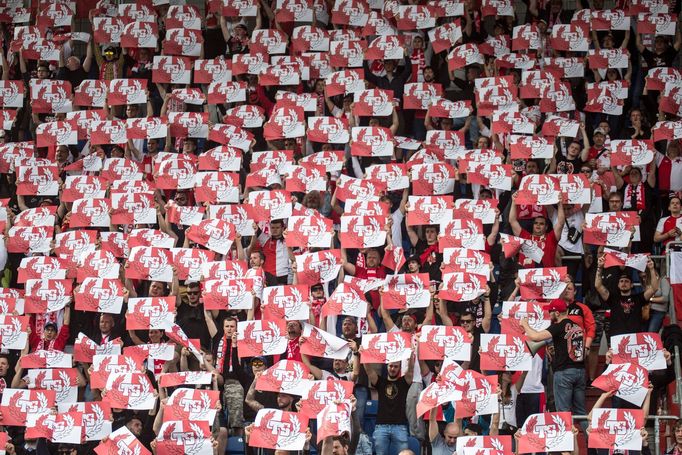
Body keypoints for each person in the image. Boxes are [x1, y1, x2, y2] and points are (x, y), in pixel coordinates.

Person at [520, 299, 586, 419]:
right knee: (581, 412)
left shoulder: (559, 326)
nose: (549, 315)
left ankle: (568, 438)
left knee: (563, 412)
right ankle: (588, 437)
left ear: (557, 313)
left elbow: (535, 337)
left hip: (564, 373)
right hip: (580, 372)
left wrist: (525, 324)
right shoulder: (577, 327)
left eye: (550, 312)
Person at [363, 353, 415, 455]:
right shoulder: (380, 381)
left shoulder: (404, 381)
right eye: (391, 366)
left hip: (400, 426)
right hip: (381, 427)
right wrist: (363, 354)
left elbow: (411, 370)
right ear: (387, 366)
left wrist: (411, 354)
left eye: (396, 366)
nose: (392, 369)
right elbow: (369, 371)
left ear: (400, 368)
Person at [594, 256, 660, 336]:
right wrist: (599, 268)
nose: (624, 283)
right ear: (618, 285)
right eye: (621, 281)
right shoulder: (612, 298)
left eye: (626, 281)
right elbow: (598, 286)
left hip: (635, 337)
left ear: (632, 285)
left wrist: (651, 269)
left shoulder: (639, 298)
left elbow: (654, 288)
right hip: (617, 337)